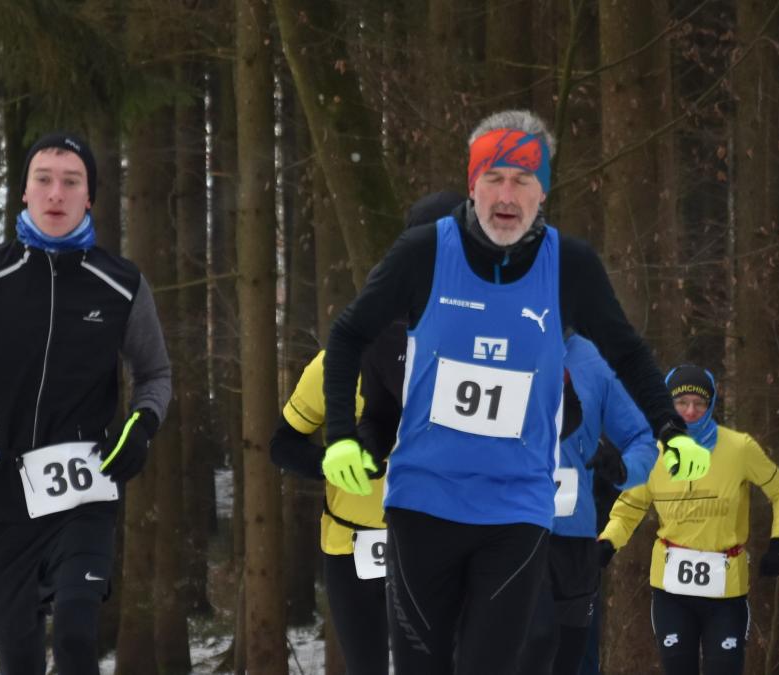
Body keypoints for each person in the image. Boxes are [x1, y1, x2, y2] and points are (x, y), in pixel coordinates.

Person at [321, 109, 711, 673]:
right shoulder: (424, 253)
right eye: (495, 177)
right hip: (422, 503)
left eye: (523, 179)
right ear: (473, 182)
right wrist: (340, 436)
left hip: (516, 509)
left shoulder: (569, 266)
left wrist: (668, 428)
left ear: (543, 190)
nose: (507, 194)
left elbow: (626, 350)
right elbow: (350, 332)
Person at [0, 132, 172, 675]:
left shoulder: (121, 285)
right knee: (21, 660)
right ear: (23, 193)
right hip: (0, 501)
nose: (56, 193)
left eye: (71, 182)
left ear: (89, 197)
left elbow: (155, 374)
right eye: (43, 180)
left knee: (77, 635)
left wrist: (143, 426)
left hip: (84, 493)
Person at [270, 191, 463, 675]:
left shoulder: (474, 352)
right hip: (353, 546)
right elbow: (282, 444)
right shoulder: (341, 360)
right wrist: (336, 460)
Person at [598, 364, 779, 675]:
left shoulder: (739, 448)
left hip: (726, 592)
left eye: (699, 403)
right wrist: (607, 543)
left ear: (711, 404)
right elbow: (628, 509)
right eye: (681, 403)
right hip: (671, 593)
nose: (691, 411)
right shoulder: (652, 452)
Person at [518, 335, 659, 675]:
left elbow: (642, 439)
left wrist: (624, 469)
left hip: (572, 534)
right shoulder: (495, 339)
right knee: (527, 641)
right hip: (504, 532)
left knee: (572, 658)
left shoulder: (595, 361)